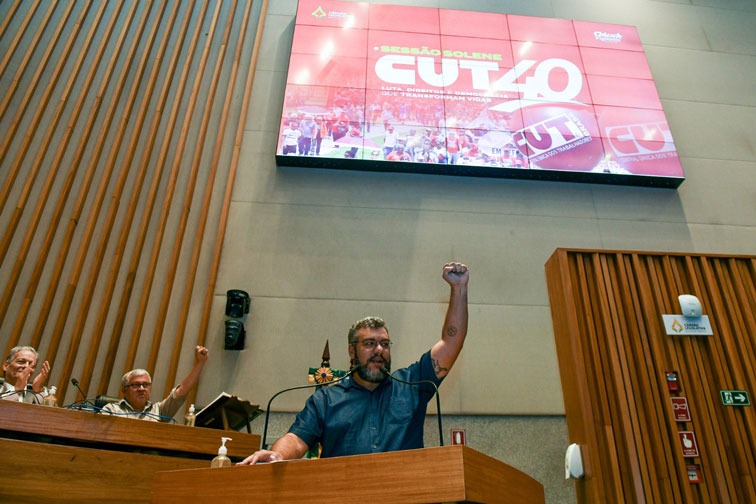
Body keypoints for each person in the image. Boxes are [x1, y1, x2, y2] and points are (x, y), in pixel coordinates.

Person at [239, 261, 469, 464]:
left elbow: (451, 342)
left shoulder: (412, 385)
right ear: (352, 351)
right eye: (369, 343)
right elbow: (297, 439)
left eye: (385, 344)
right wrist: (277, 455)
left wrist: (459, 289)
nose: (379, 350)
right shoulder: (326, 401)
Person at [101, 345, 209, 422]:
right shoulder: (111, 410)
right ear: (124, 389)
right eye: (136, 385)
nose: (142, 388)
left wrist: (200, 363)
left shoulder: (159, 411)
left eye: (145, 385)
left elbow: (181, 392)